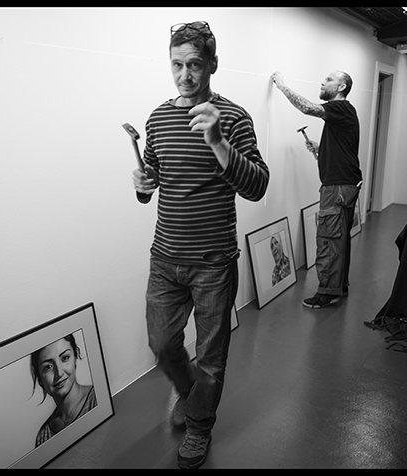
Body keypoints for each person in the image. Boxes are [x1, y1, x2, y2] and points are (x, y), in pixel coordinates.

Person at [132, 21, 269, 469]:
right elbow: (151, 180)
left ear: (212, 63)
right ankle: (189, 394)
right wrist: (141, 184)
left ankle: (198, 427)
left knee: (211, 358)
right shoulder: (157, 117)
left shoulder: (232, 117)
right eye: (177, 64)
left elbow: (258, 186)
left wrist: (218, 143)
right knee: (162, 345)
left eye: (194, 64)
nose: (185, 74)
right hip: (165, 258)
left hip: (213, 263)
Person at [270, 70, 363, 309]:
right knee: (339, 238)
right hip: (345, 183)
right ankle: (339, 286)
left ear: (341, 86)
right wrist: (321, 149)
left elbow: (308, 108)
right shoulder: (344, 114)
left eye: (329, 79)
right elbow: (344, 149)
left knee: (328, 239)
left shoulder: (341, 108)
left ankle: (328, 292)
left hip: (338, 188)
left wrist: (282, 85)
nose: (323, 81)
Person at [29, 333, 97, 448]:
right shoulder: (43, 437)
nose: (59, 373)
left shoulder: (98, 399)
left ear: (76, 357)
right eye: (48, 367)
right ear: (40, 380)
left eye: (65, 358)